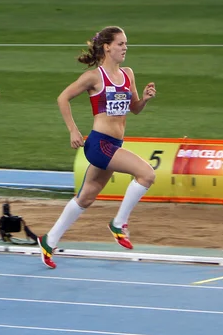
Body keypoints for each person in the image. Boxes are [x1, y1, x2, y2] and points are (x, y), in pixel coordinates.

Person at [37, 26, 157, 269]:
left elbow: (133, 109)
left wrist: (144, 99)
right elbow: (63, 98)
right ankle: (118, 223)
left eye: (126, 44)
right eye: (121, 44)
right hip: (99, 143)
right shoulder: (94, 77)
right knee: (147, 174)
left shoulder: (128, 74)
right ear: (107, 47)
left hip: (114, 143)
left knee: (86, 197)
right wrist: (73, 130)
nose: (125, 48)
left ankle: (48, 241)